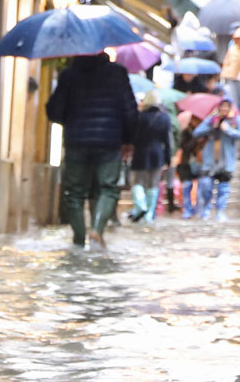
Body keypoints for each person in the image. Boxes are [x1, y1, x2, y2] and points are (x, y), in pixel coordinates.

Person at [45, 51, 139, 249]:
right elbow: (130, 111)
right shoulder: (117, 73)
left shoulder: (69, 75)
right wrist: (129, 139)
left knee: (74, 193)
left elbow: (54, 111)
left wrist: (72, 120)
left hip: (76, 141)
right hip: (109, 141)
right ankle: (96, 231)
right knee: (108, 188)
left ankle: (78, 240)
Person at [191, 101, 240, 219]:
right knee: (206, 185)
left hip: (226, 161)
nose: (224, 109)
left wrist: (228, 130)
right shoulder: (211, 120)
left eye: (227, 107)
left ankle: (220, 211)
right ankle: (206, 208)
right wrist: (211, 126)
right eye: (222, 107)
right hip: (209, 160)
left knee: (223, 188)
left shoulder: (235, 121)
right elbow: (196, 133)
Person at [127, 91, 174, 224]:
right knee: (153, 183)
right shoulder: (164, 117)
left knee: (137, 181)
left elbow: (133, 137)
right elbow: (167, 140)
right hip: (157, 153)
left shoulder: (139, 117)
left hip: (140, 152)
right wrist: (168, 158)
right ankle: (149, 213)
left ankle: (140, 205)